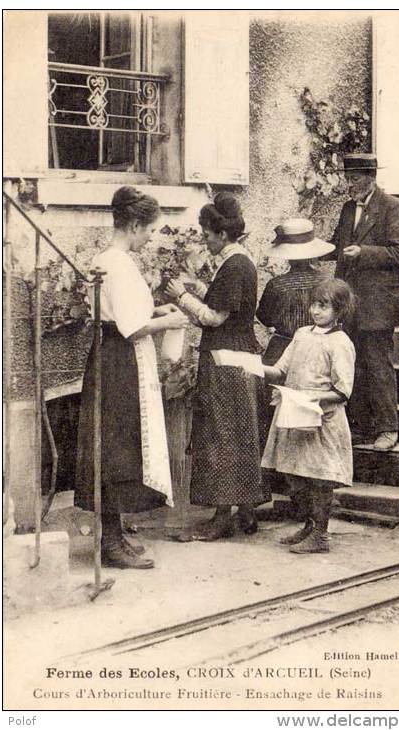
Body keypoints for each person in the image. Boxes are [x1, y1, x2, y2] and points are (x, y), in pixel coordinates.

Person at [75, 186, 188, 569]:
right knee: (117, 447)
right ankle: (110, 543)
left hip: (115, 355)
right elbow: (129, 327)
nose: (150, 238)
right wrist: (168, 321)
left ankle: (115, 534)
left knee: (120, 445)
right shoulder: (118, 263)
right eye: (149, 231)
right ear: (135, 225)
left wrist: (157, 308)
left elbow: (125, 313)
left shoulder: (111, 259)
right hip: (119, 360)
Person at [166, 192, 270, 540]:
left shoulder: (234, 266)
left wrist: (181, 296)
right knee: (242, 437)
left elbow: (214, 317)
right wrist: (202, 288)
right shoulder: (240, 263)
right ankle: (247, 512)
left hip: (225, 361)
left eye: (207, 234)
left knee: (220, 437)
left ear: (222, 235)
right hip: (243, 359)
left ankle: (221, 517)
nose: (204, 240)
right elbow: (228, 301)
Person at [262, 279, 356, 554]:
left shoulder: (340, 343)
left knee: (318, 479)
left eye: (324, 306)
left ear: (339, 311)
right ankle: (309, 525)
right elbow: (280, 370)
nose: (316, 311)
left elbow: (342, 390)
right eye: (315, 304)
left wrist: (311, 397)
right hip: (294, 415)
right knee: (294, 476)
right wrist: (252, 365)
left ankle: (321, 535)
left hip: (321, 419)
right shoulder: (302, 334)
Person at [331, 153, 399, 451]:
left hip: (379, 303)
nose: (349, 185)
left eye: (354, 179)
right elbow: (338, 244)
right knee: (354, 365)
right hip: (350, 301)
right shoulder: (348, 208)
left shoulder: (392, 207)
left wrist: (363, 252)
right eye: (347, 178)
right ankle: (362, 428)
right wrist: (309, 247)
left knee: (378, 364)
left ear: (370, 178)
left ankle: (388, 429)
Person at [256, 219, 334, 501]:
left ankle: (283, 486)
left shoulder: (277, 285)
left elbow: (263, 316)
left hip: (282, 348)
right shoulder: (327, 282)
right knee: (309, 420)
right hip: (315, 353)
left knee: (279, 417)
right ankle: (308, 494)